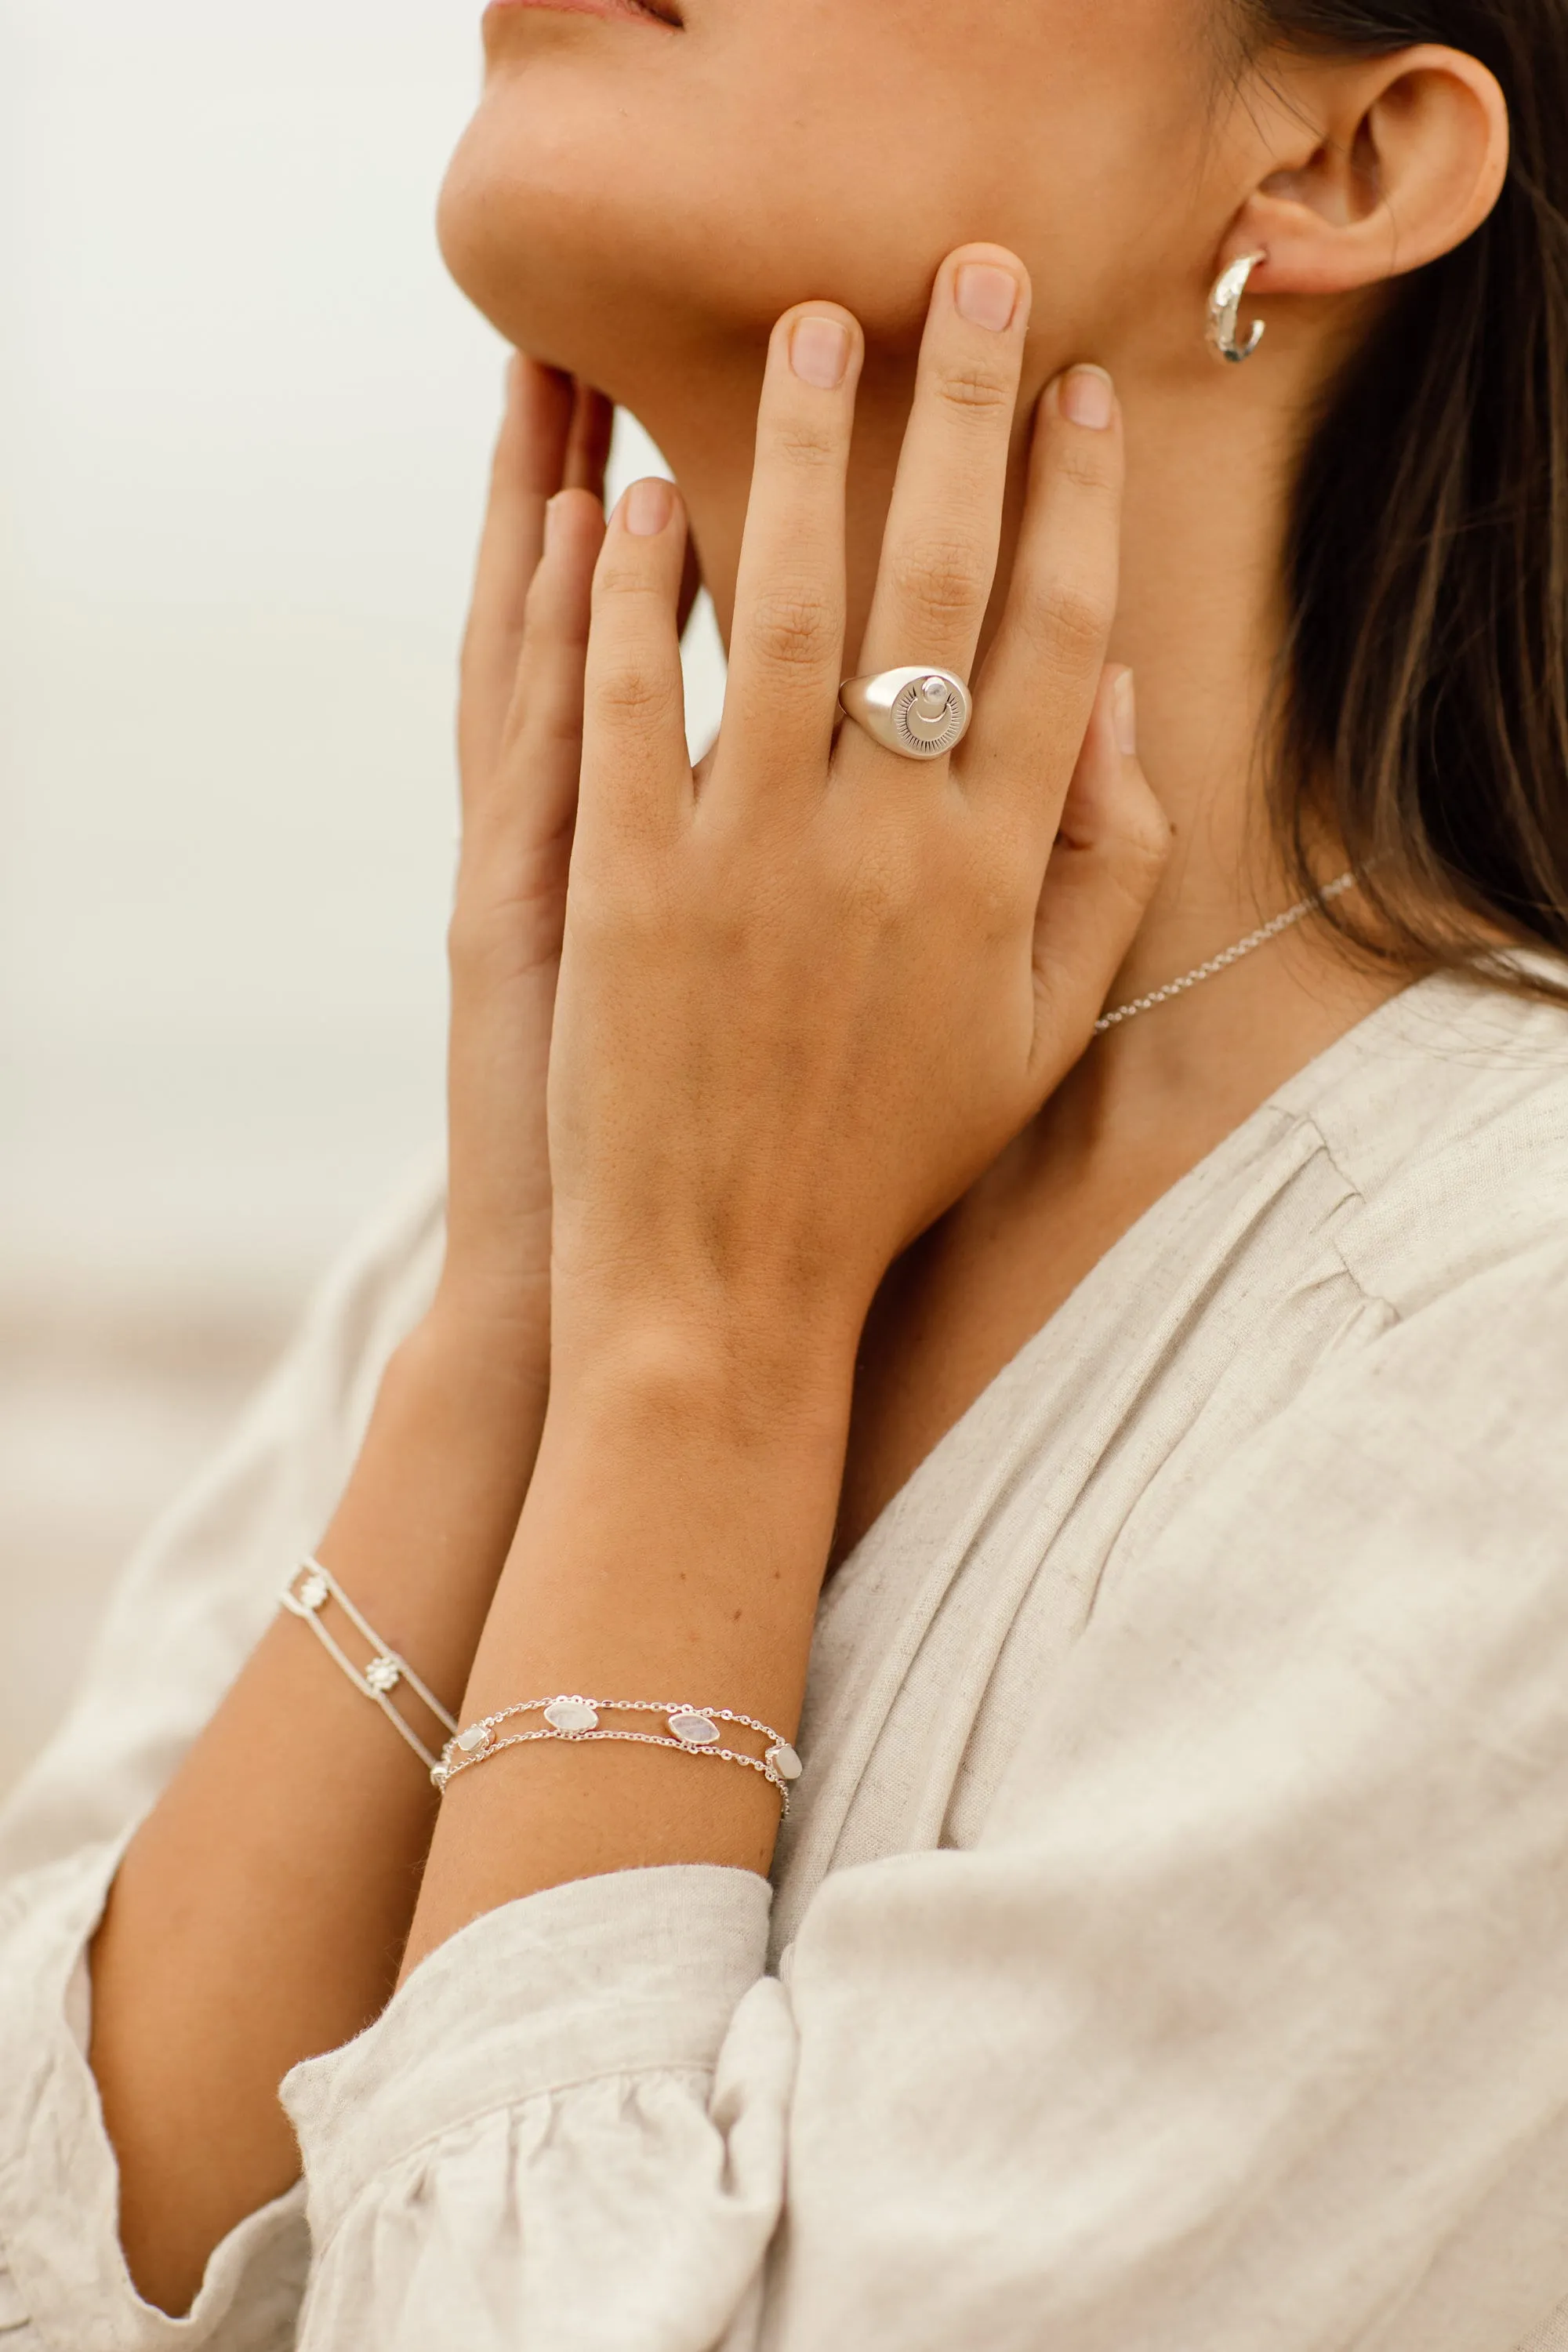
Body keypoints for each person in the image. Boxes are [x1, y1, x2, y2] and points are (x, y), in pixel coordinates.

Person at [4, 0, 1568, 2341]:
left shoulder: (1501, 1345)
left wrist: (698, 1361)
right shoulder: (477, 1239)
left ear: (1339, 169)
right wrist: (524, 1321)